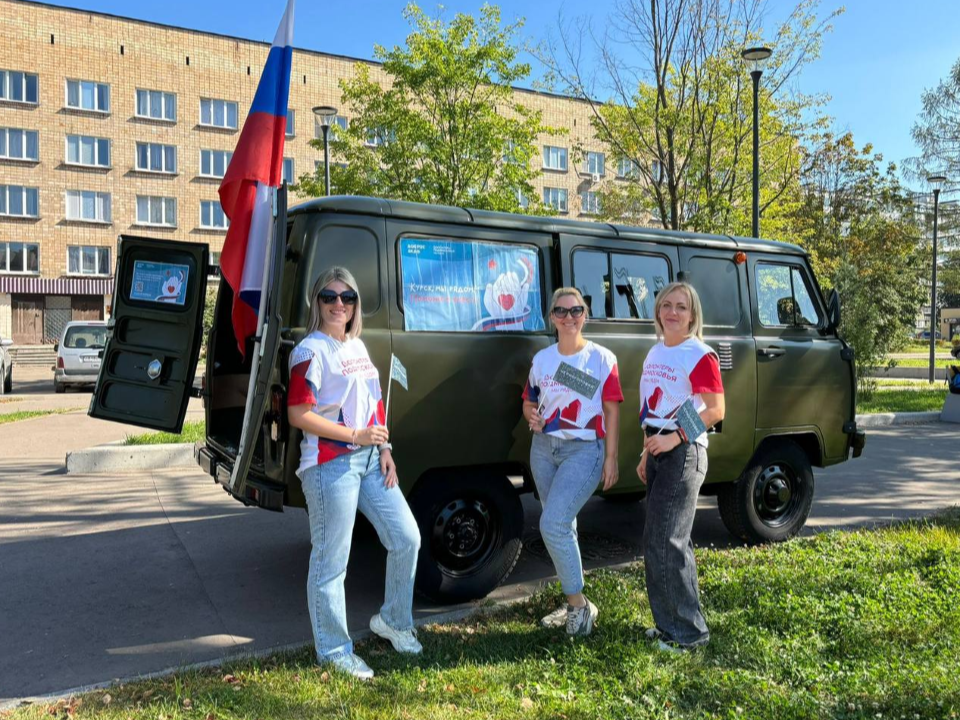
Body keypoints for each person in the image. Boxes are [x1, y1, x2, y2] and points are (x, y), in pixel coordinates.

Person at [287, 266, 422, 680]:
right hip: (330, 465)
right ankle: (333, 649)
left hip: (368, 460)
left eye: (347, 298)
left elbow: (375, 400)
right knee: (332, 562)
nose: (339, 305)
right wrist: (355, 435)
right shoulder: (309, 350)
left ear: (355, 305)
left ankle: (394, 620)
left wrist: (384, 446)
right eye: (330, 297)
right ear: (318, 302)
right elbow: (298, 413)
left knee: (406, 538)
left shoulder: (358, 348)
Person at [522, 287, 623, 636]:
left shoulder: (601, 359)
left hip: (584, 450)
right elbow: (529, 400)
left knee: (552, 525)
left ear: (585, 314)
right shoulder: (542, 360)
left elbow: (611, 409)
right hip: (543, 450)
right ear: (552, 317)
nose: (569, 318)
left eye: (575, 310)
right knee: (563, 526)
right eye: (561, 312)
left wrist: (610, 457)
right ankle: (574, 601)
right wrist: (531, 416)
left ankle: (578, 605)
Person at [636, 281, 725, 652]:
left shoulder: (699, 354)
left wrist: (673, 439)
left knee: (664, 542)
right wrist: (646, 453)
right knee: (670, 542)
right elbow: (652, 410)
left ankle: (688, 634)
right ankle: (671, 625)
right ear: (658, 311)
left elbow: (715, 409)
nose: (673, 312)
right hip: (658, 451)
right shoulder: (655, 353)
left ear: (692, 315)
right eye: (667, 305)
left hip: (683, 453)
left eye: (681, 307)